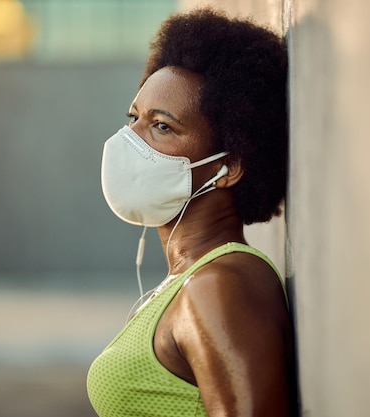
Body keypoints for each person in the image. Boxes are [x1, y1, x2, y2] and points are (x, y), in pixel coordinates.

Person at [87, 7, 295, 417]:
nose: (129, 140)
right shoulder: (189, 278)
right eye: (134, 118)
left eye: (161, 126)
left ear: (227, 167)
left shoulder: (218, 286)